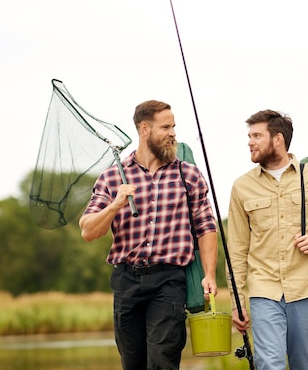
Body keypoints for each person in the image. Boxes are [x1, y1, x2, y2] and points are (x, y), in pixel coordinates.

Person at [79, 100, 218, 370]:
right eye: (165, 127)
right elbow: (88, 230)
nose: (173, 133)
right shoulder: (112, 177)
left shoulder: (187, 174)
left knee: (162, 362)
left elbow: (206, 226)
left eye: (173, 126)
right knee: (132, 363)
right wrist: (115, 205)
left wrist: (209, 274)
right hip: (126, 280)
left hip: (169, 281)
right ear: (145, 129)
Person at [226, 109, 308, 370]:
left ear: (278, 139)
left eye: (256, 135)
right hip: (264, 290)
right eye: (249, 136)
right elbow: (236, 251)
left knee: (304, 365)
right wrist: (236, 302)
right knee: (269, 364)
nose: (250, 142)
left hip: (307, 289)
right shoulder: (241, 186)